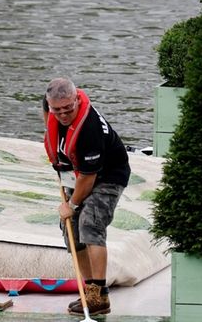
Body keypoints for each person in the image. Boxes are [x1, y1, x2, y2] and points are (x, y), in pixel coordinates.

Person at [43, 77, 130, 315]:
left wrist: (71, 204)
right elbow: (47, 116)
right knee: (71, 230)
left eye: (68, 109)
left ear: (76, 101)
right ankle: (89, 288)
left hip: (107, 175)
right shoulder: (50, 106)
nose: (62, 115)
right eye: (56, 110)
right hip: (77, 172)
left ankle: (99, 296)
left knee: (89, 222)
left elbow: (89, 179)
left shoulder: (89, 130)